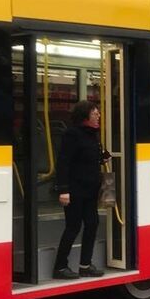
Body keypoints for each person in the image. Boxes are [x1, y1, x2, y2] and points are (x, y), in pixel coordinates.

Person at [53, 101, 108, 280]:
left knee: (92, 224)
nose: (98, 116)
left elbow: (90, 157)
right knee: (73, 227)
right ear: (85, 116)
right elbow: (63, 162)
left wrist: (103, 157)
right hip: (75, 190)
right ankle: (60, 266)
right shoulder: (72, 134)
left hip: (90, 190)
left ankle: (85, 265)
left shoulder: (93, 134)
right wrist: (63, 189)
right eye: (95, 113)